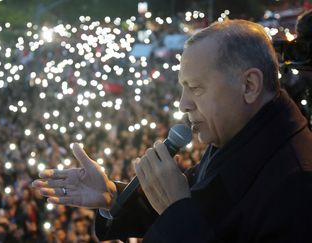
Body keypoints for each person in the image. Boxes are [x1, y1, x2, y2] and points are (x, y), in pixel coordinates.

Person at [32, 19, 312, 242]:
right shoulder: (238, 134)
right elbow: (200, 207)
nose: (183, 103)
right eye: (182, 88)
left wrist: (178, 214)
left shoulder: (298, 186)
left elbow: (189, 215)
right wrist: (114, 197)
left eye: (196, 88)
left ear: (249, 85)